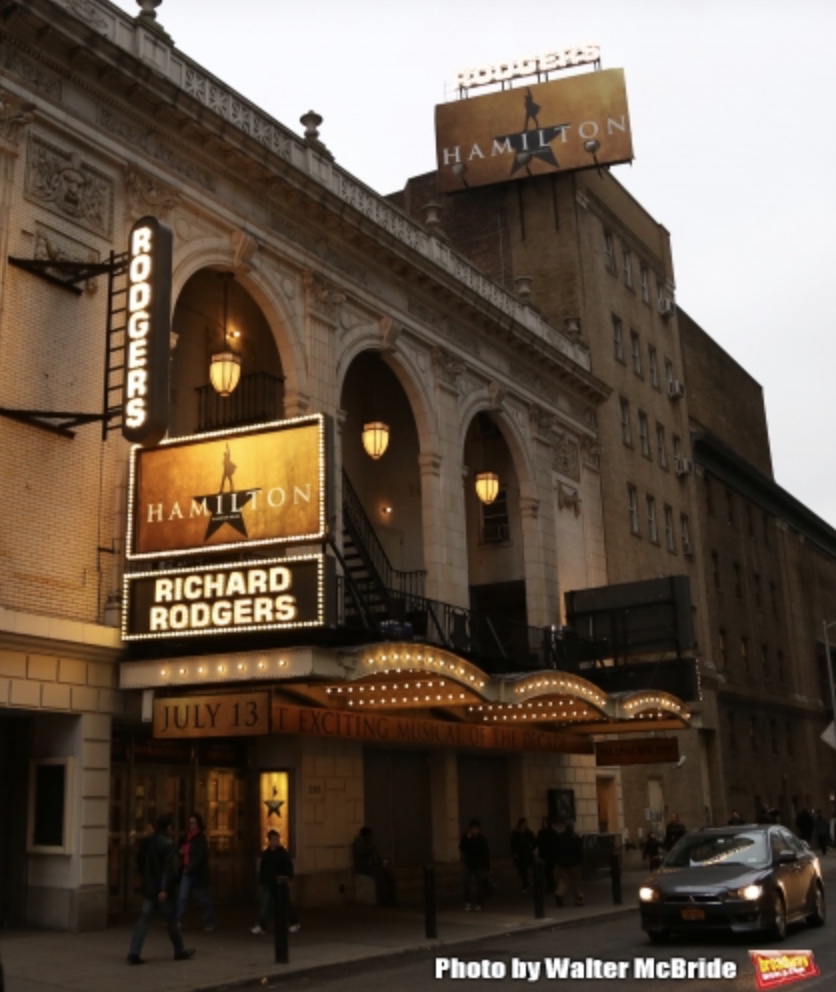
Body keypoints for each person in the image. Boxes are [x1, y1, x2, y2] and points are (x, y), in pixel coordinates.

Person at [127, 814, 195, 965]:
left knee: (144, 919)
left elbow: (139, 861)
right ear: (168, 827)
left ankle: (134, 951)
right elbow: (168, 869)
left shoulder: (147, 842)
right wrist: (164, 888)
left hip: (149, 887)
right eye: (171, 826)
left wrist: (144, 878)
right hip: (162, 890)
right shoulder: (168, 844)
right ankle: (179, 950)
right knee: (171, 920)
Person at [251, 829, 300, 935]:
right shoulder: (266, 854)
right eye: (273, 839)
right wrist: (262, 880)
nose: (275, 841)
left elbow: (288, 867)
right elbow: (263, 868)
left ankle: (294, 922)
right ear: (269, 840)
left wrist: (288, 879)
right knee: (265, 904)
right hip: (269, 883)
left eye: (277, 839)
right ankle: (262, 925)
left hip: (280, 883)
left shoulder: (283, 853)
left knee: (285, 904)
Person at [176, 812, 216, 931]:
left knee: (203, 899)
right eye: (190, 823)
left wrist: (190, 867)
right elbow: (181, 849)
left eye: (194, 822)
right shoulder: (186, 837)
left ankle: (209, 921)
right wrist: (181, 853)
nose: (191, 825)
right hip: (187, 871)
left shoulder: (200, 838)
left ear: (198, 824)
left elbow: (200, 856)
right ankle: (177, 920)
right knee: (182, 897)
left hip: (198, 873)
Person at [351, 826, 396, 905]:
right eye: (370, 836)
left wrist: (382, 861)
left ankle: (392, 898)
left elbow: (377, 856)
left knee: (390, 875)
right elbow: (364, 856)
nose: (371, 838)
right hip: (365, 868)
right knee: (379, 877)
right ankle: (383, 899)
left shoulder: (370, 844)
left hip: (375, 866)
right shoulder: (359, 845)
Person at [459, 819, 491, 911]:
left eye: (475, 829)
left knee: (479, 884)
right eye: (472, 829)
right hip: (469, 864)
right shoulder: (466, 837)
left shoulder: (482, 840)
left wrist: (488, 867)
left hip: (479, 865)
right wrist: (467, 839)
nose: (474, 831)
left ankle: (479, 903)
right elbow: (462, 848)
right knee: (465, 883)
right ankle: (467, 902)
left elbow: (485, 853)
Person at [553, 819, 584, 907]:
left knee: (564, 880)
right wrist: (581, 860)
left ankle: (559, 893)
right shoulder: (576, 837)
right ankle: (579, 899)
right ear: (572, 827)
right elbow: (580, 851)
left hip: (563, 862)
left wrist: (558, 860)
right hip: (575, 863)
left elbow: (557, 849)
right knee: (577, 881)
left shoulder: (560, 836)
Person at [509, 817, 537, 891]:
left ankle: (526, 883)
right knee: (521, 870)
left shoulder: (528, 832)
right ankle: (525, 883)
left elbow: (534, 841)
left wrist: (531, 848)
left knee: (527, 869)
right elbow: (513, 844)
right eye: (524, 823)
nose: (525, 825)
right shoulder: (516, 833)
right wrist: (514, 852)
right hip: (520, 854)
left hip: (527, 854)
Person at [536, 817, 558, 894]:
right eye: (543, 823)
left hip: (551, 855)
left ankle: (551, 886)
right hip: (544, 855)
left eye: (545, 823)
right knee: (546, 872)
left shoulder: (552, 832)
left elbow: (556, 843)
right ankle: (551, 885)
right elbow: (538, 843)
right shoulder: (541, 833)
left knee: (549, 872)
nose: (544, 824)